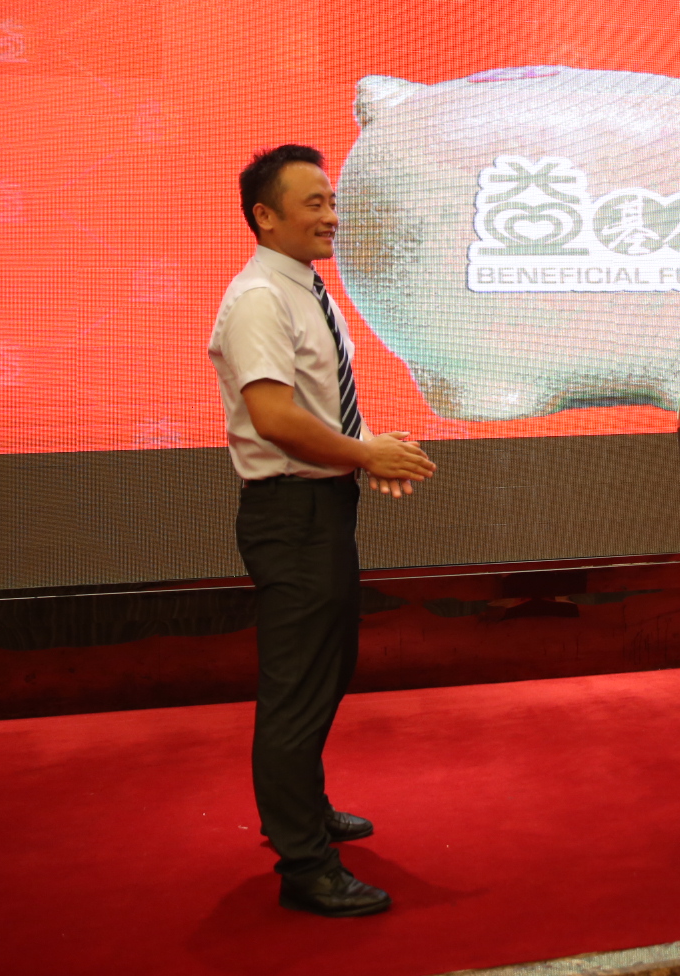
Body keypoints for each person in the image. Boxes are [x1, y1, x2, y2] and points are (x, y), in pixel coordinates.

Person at [208, 144, 437, 915]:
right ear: (264, 215)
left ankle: (305, 810)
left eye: (331, 201)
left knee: (325, 673)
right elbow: (275, 419)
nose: (332, 216)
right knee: (297, 689)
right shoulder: (257, 299)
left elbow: (320, 404)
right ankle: (304, 864)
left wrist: (370, 448)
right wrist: (364, 454)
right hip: (290, 514)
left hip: (323, 509)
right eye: (314, 203)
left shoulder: (307, 289)